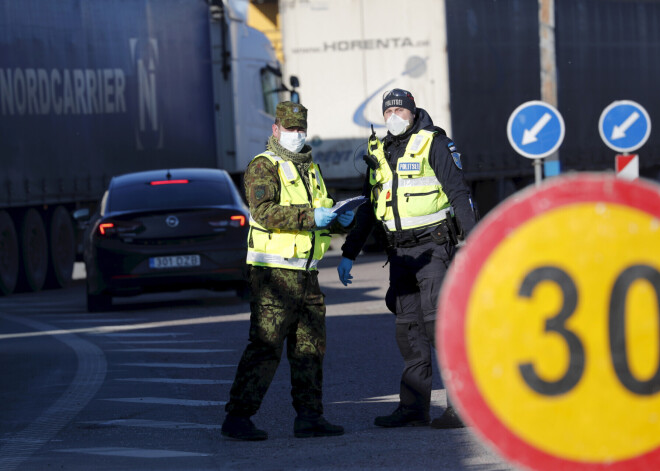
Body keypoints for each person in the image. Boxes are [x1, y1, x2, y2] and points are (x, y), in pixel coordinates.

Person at [337, 89, 477, 429]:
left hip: (433, 247)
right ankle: (414, 408)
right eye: (389, 111)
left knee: (439, 327)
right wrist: (348, 253)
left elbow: (459, 193)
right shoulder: (378, 151)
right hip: (398, 253)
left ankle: (461, 407)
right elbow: (371, 207)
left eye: (400, 109)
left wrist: (476, 244)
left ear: (413, 112)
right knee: (409, 331)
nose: (394, 116)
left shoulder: (435, 143)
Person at [222, 101, 354, 441]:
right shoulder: (263, 166)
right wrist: (311, 217)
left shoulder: (310, 168)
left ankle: (310, 417)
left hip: (306, 273)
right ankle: (238, 418)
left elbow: (319, 215)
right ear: (275, 129)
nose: (296, 135)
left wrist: (339, 222)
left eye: (300, 129)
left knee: (309, 347)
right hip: (272, 275)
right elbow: (264, 211)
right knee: (265, 346)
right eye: (290, 128)